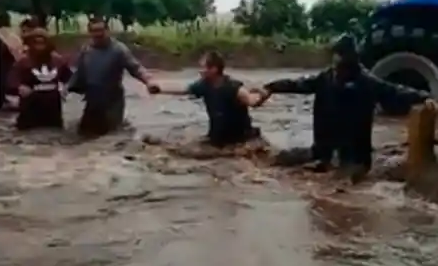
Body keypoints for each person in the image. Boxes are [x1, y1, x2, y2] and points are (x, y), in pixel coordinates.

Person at [254, 33, 436, 181]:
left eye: (339, 61)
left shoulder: (367, 82)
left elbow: (397, 92)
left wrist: (426, 97)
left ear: (350, 61)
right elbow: (298, 84)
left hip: (354, 159)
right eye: (335, 61)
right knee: (278, 161)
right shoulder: (326, 78)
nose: (335, 66)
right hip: (322, 151)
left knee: (337, 186)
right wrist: (270, 87)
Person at [66, 16, 160, 137]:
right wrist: (66, 89)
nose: (98, 34)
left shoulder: (119, 49)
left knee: (112, 135)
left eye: (101, 30)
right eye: (94, 31)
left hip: (112, 99)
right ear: (90, 33)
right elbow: (79, 73)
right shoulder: (86, 50)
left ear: (107, 31)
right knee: (84, 134)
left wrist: (148, 81)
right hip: (92, 98)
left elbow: (135, 68)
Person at [152, 50, 265, 147]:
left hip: (241, 139)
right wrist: (159, 89)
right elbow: (184, 89)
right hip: (217, 138)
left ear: (214, 69)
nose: (200, 71)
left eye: (203, 67)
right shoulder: (204, 85)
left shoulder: (234, 88)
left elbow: (252, 102)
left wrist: (262, 95)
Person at [9, 27, 72, 130]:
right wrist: (19, 87)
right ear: (30, 44)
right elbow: (11, 80)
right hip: (29, 110)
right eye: (36, 42)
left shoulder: (58, 61)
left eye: (42, 42)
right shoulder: (23, 62)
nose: (39, 46)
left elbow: (70, 78)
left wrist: (65, 87)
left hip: (52, 111)